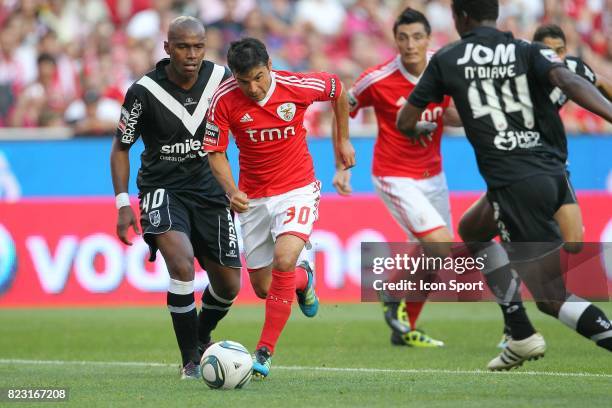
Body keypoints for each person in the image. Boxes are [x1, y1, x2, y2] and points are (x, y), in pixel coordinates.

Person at [397, 0, 612, 371]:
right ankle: (519, 330)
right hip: (553, 173)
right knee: (472, 228)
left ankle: (525, 334)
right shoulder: (529, 51)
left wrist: (416, 126)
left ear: (459, 17)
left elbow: (406, 119)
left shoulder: (448, 59)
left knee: (551, 296)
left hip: (515, 182)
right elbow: (569, 80)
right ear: (494, 14)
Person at [203, 37, 355, 378]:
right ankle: (305, 280)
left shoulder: (297, 86)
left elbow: (337, 90)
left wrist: (342, 140)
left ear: (269, 67)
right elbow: (216, 152)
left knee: (285, 258)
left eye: (258, 77)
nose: (253, 88)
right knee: (263, 287)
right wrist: (231, 189)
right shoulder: (223, 100)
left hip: (297, 188)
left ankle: (264, 352)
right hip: (253, 198)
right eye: (244, 81)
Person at [457, 23, 612, 349]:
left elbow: (599, 84)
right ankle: (515, 322)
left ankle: (520, 319)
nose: (553, 56)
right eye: (547, 50)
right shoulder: (520, 72)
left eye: (558, 50)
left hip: (546, 172)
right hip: (526, 174)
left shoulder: (569, 69)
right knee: (476, 229)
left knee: (569, 252)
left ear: (564, 52)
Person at [110, 16, 242, 380]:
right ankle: (190, 362)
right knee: (182, 265)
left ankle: (200, 336)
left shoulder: (221, 81)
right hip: (161, 190)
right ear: (167, 48)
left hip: (210, 192)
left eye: (198, 46)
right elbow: (121, 148)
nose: (191, 54)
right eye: (183, 46)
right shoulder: (143, 92)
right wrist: (123, 204)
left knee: (230, 286)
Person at [333, 8, 461, 348]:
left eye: (417, 37)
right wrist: (343, 164)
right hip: (394, 175)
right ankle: (391, 287)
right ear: (395, 40)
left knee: (434, 255)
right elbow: (343, 107)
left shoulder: (444, 67)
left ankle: (405, 328)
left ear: (428, 39)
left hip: (435, 175)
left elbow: (452, 113)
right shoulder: (377, 78)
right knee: (441, 247)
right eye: (403, 37)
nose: (410, 44)